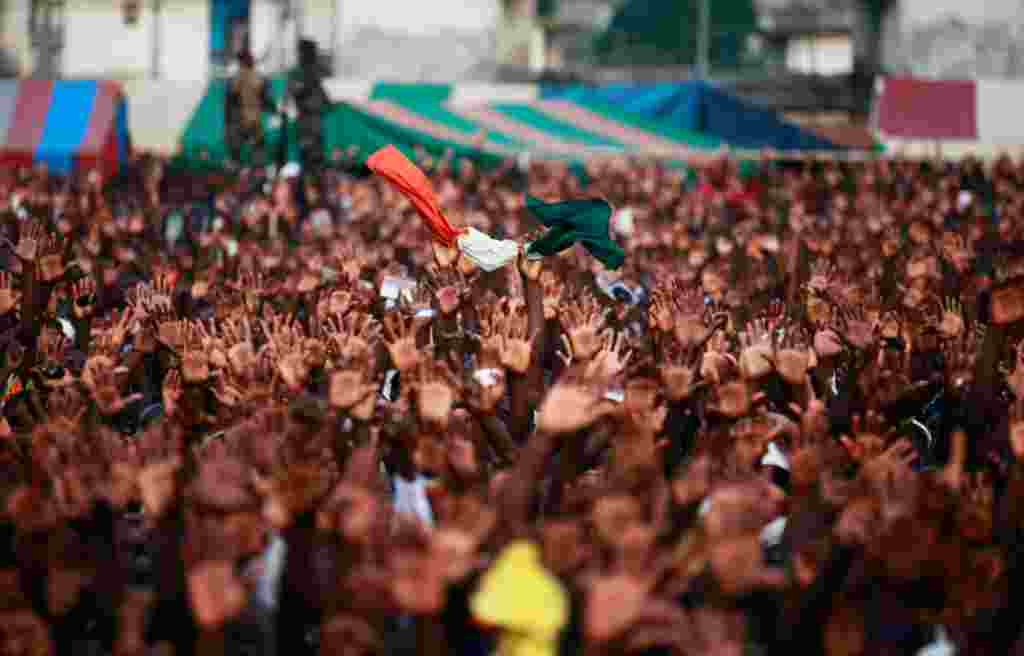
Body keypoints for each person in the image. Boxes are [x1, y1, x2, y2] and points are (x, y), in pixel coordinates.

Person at [224, 50, 276, 171]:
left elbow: (229, 104)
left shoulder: (233, 80)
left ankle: (238, 173)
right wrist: (273, 110)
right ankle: (257, 174)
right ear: (251, 61)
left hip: (238, 123)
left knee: (235, 158)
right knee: (258, 153)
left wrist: (228, 125)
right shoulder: (260, 78)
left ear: (240, 62)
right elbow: (268, 101)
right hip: (255, 121)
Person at [286, 39, 331, 175]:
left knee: (317, 158)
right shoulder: (298, 73)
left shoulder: (315, 72)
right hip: (306, 121)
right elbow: (294, 91)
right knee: (307, 159)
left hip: (315, 121)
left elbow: (324, 98)